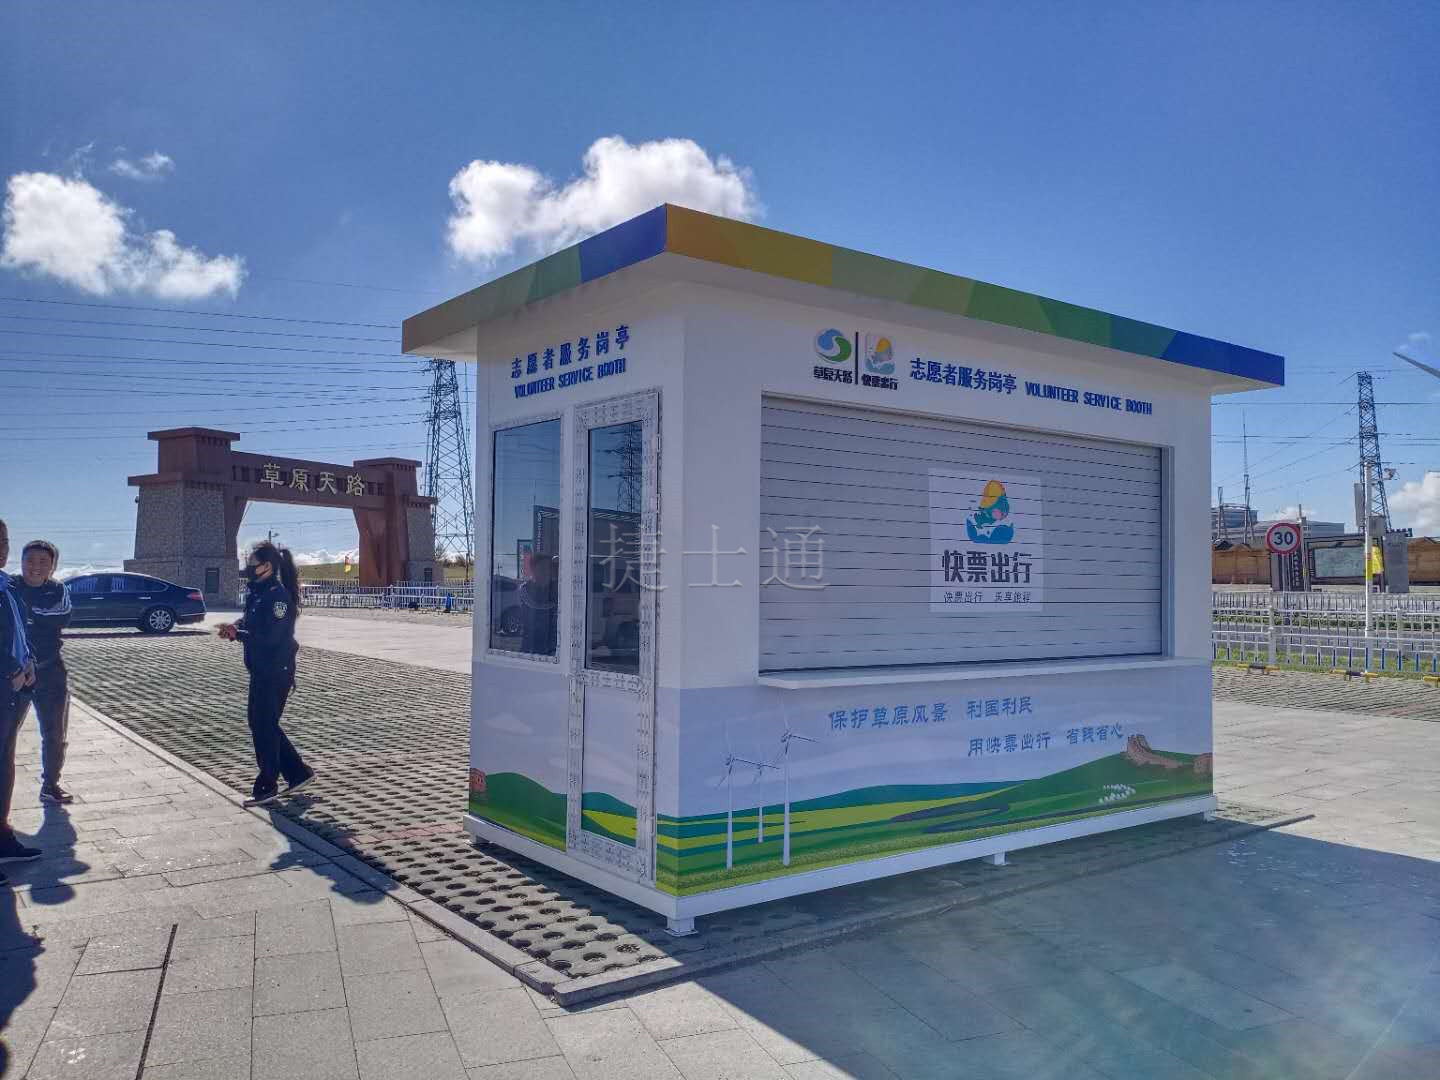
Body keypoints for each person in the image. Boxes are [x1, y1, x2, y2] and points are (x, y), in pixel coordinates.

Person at [216, 542, 315, 807]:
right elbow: (251, 623)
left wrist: (239, 635)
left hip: (275, 670)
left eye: (253, 564)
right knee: (262, 723)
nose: (248, 568)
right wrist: (235, 628)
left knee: (263, 725)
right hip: (262, 669)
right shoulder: (258, 593)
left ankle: (267, 785)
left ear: (267, 566)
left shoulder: (277, 596)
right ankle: (298, 773)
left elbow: (270, 637)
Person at [15, 540, 73, 804]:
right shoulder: (10, 587)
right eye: (30, 560)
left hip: (50, 673)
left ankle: (50, 785)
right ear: (21, 561)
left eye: (43, 561)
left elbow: (60, 617)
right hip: (13, 675)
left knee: (54, 734)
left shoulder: (58, 590)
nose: (35, 566)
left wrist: (25, 615)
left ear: (53, 566)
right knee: (5, 734)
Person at [0, 519, 40, 863]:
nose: (1, 548)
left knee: (4, 764)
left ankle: (3, 835)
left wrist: (29, 663)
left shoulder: (7, 586)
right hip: (5, 681)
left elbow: (20, 632)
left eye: (3, 541)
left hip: (14, 689)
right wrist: (10, 669)